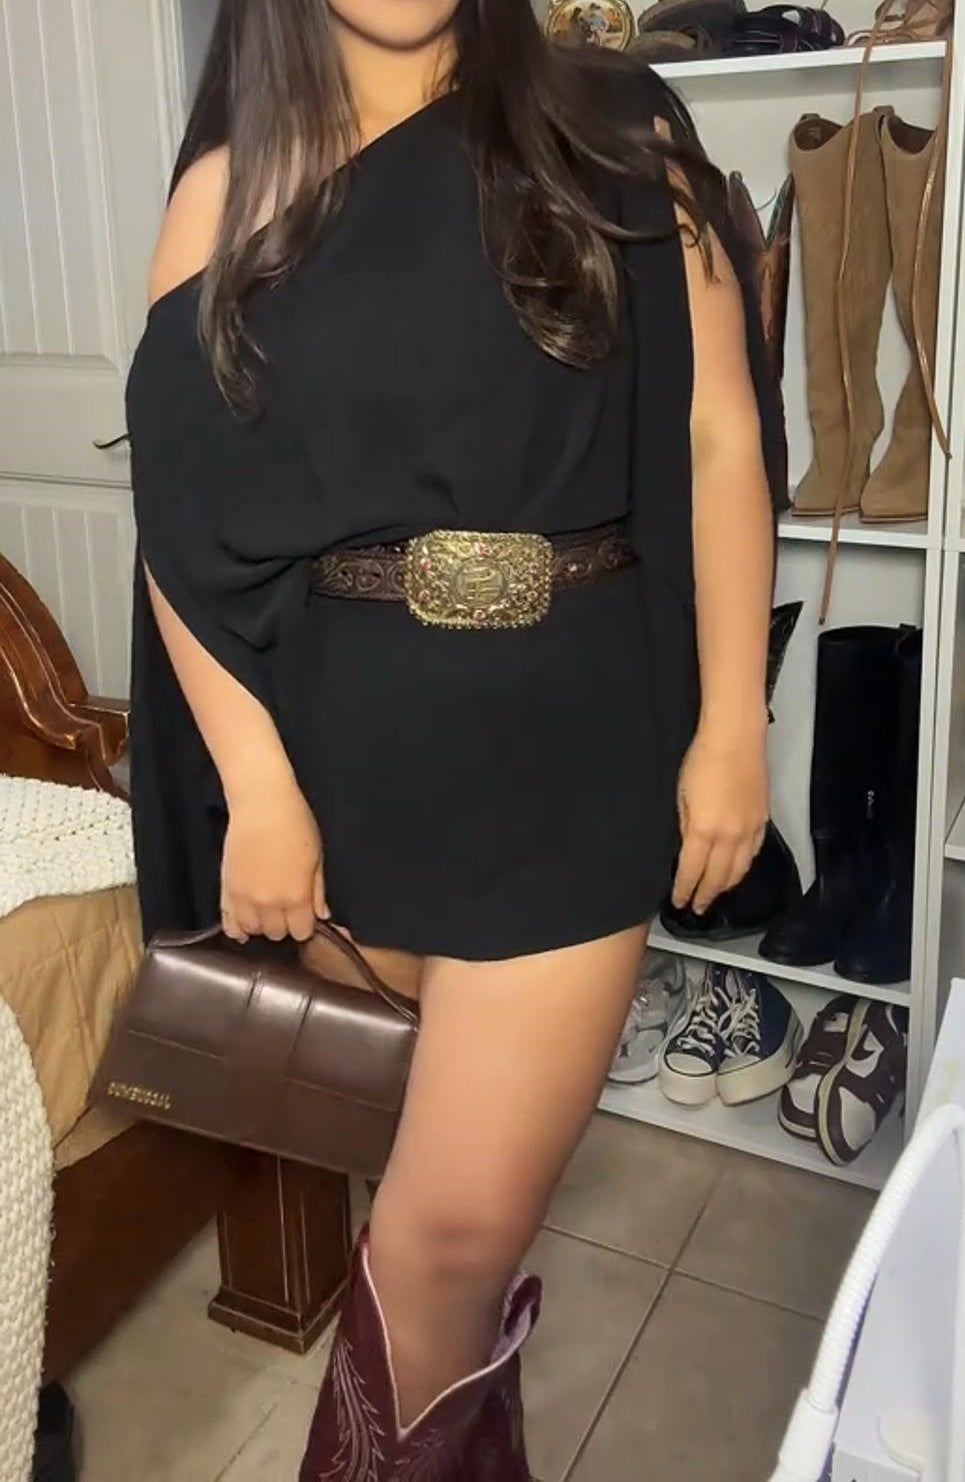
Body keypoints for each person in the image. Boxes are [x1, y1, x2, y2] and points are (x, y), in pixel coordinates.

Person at [126, 0, 781, 1474]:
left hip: (572, 751)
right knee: (428, 1224)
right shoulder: (230, 190)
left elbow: (716, 436)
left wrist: (732, 723)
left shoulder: (615, 129)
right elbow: (181, 520)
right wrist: (258, 787)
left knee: (441, 1242)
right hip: (337, 768)